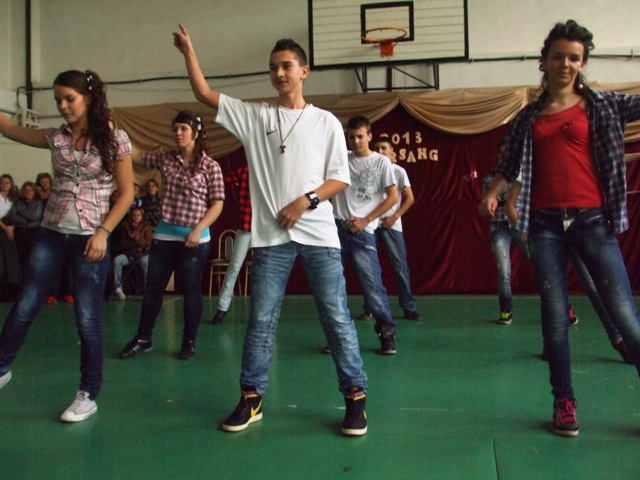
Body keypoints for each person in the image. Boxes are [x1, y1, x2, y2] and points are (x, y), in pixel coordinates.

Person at [174, 24, 369, 436]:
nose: (279, 73)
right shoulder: (255, 116)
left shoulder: (326, 122)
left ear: (304, 72)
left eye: (286, 66)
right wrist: (189, 51)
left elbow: (339, 178)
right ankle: (251, 399)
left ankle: (355, 399)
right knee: (261, 320)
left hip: (319, 236)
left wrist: (304, 201)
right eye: (273, 67)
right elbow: (203, 93)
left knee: (336, 317)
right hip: (270, 239)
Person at [480, 20, 640, 437]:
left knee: (625, 316)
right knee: (554, 319)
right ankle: (564, 402)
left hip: (593, 222)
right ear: (545, 61)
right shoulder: (528, 117)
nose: (565, 64)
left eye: (573, 58)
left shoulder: (603, 105)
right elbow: (508, 164)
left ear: (582, 63)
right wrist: (492, 193)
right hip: (544, 225)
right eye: (558, 57)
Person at [0, 69, 134, 422]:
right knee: (24, 305)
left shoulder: (115, 139)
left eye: (68, 99)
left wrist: (103, 232)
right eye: (58, 100)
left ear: (87, 99)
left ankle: (88, 394)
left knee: (87, 318)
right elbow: (10, 128)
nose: (62, 105)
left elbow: (126, 193)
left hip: (91, 238)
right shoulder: (54, 137)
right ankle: (1, 368)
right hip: (51, 234)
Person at [119, 111, 224, 360]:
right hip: (165, 235)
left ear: (196, 133)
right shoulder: (166, 158)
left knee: (191, 290)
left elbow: (217, 204)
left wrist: (198, 229)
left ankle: (189, 341)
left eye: (183, 129)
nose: (178, 133)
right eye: (175, 128)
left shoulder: (210, 166)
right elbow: (137, 155)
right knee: (153, 289)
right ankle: (143, 338)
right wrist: (117, 136)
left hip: (195, 238)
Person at [505, 178, 632, 364]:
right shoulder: (526, 170)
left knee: (592, 285)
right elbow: (510, 206)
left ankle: (619, 338)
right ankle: (550, 346)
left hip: (576, 226)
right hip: (546, 234)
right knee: (550, 290)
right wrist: (527, 228)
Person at [332, 117, 398, 354]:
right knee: (333, 288)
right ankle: (337, 338)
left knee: (372, 288)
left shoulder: (381, 162)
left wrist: (366, 220)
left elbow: (393, 196)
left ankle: (387, 335)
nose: (356, 141)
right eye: (351, 137)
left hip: (363, 232)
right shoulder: (340, 159)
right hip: (335, 231)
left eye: (360, 136)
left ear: (369, 136)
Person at [372, 135, 420, 320]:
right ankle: (371, 307)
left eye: (384, 148)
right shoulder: (369, 171)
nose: (380, 151)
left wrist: (394, 217)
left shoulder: (399, 171)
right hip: (371, 225)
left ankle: (409, 307)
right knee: (370, 268)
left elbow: (410, 198)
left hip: (392, 225)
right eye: (377, 148)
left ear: (391, 151)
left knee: (400, 267)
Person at [211, 165, 251, 325]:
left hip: (265, 229)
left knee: (265, 271)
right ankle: (222, 308)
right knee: (234, 266)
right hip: (246, 226)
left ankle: (262, 310)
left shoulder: (271, 172)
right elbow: (223, 179)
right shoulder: (245, 171)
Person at [112, 206, 152, 300]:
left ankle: (148, 290)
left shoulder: (146, 226)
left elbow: (149, 242)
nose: (136, 217)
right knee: (117, 260)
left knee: (145, 262)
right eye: (134, 215)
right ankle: (118, 288)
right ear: (131, 216)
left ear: (142, 216)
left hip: (142, 254)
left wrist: (138, 239)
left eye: (138, 215)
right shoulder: (125, 226)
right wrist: (131, 240)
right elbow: (122, 244)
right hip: (129, 254)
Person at [5, 181, 44, 275]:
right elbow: (12, 216)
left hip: (33, 232)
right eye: (26, 190)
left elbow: (35, 216)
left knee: (32, 258)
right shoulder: (18, 202)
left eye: (31, 190)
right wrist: (26, 221)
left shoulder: (38, 203)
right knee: (20, 258)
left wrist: (20, 212)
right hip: (19, 232)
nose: (28, 192)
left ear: (34, 192)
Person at [0, 174, 21, 301]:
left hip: (10, 230)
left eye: (7, 183)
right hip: (2, 228)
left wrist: (12, 227)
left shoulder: (13, 199)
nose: (4, 185)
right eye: (2, 183)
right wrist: (5, 228)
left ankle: (10, 293)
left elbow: (16, 215)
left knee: (10, 262)